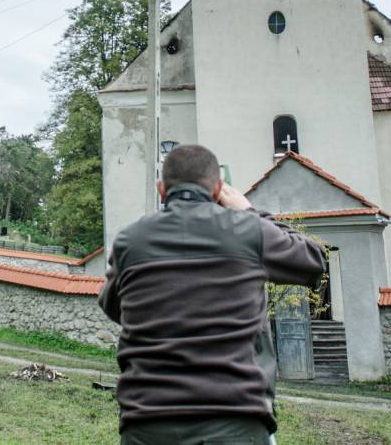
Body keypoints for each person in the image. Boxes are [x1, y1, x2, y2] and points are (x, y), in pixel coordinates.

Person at [98, 143, 327, 445]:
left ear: (161, 189)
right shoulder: (249, 231)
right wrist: (250, 211)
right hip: (236, 419)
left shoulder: (131, 240)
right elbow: (312, 260)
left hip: (149, 421)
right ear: (218, 188)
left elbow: (113, 305)